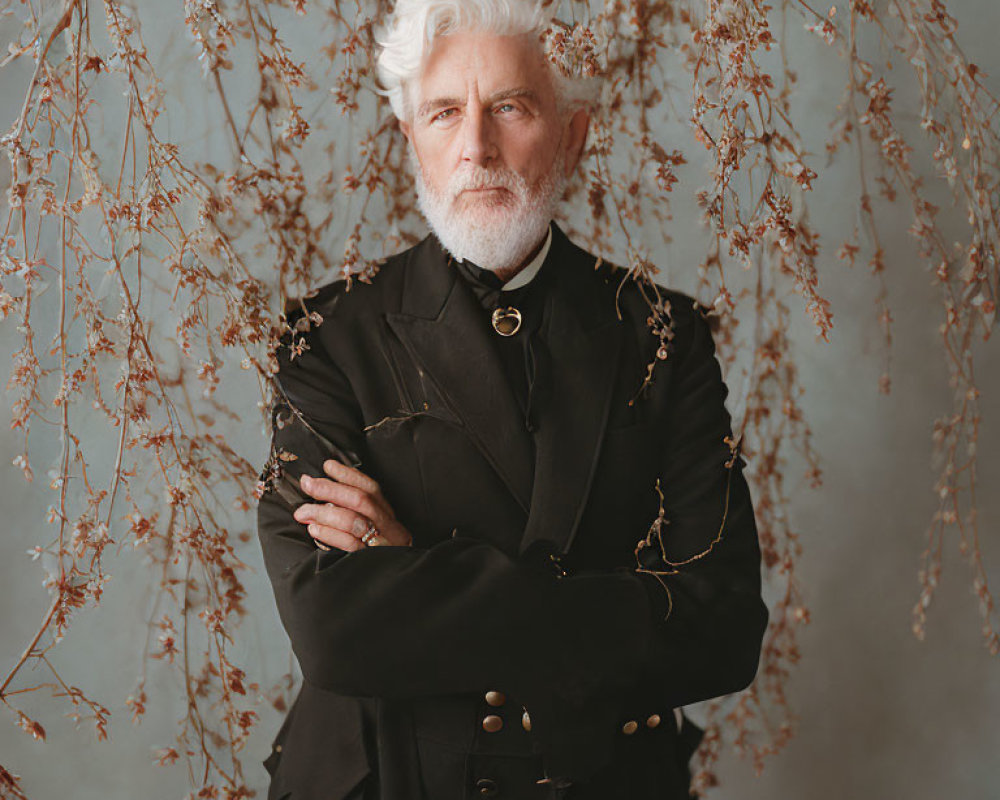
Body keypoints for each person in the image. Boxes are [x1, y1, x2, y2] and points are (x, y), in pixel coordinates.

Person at [255, 1, 769, 798]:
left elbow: (722, 627)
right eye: (444, 113)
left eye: (510, 107)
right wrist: (603, 612)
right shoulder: (325, 336)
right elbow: (331, 631)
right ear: (409, 140)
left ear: (573, 132)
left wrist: (413, 572)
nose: (475, 148)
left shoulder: (663, 337)